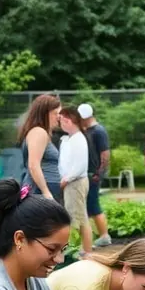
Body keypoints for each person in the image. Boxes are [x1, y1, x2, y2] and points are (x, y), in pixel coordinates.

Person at [57, 106, 93, 256]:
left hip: (75, 182)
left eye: (61, 121)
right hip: (72, 182)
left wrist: (66, 179)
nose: (60, 124)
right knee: (80, 216)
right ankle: (84, 250)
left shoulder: (78, 138)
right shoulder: (71, 138)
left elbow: (80, 166)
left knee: (78, 218)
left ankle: (83, 251)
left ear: (68, 120)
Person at [79, 103, 112, 248]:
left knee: (93, 205)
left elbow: (105, 154)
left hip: (94, 174)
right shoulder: (89, 130)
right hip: (89, 173)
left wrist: (100, 173)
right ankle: (98, 236)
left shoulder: (98, 131)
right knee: (89, 205)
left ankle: (104, 235)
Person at [20, 94, 63, 204]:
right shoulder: (38, 132)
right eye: (55, 113)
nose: (59, 117)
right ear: (45, 113)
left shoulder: (44, 133)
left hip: (46, 188)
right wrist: (46, 192)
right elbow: (33, 165)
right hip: (39, 190)